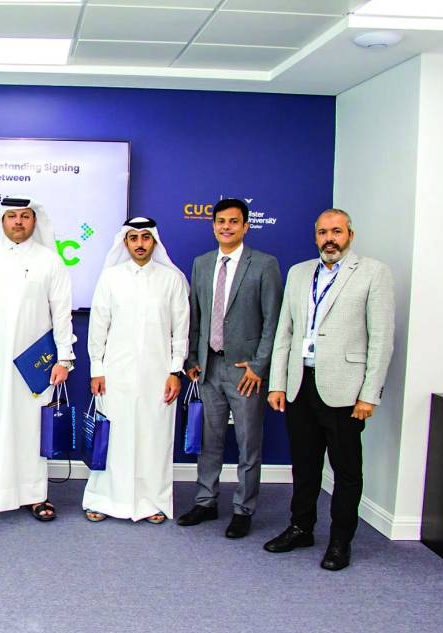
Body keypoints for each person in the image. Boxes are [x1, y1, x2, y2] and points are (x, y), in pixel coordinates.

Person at [264, 208, 394, 571]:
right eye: (322, 232)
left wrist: (370, 394)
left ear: (350, 235)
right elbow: (284, 333)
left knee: (346, 471)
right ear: (315, 236)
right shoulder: (299, 273)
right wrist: (277, 383)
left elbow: (381, 340)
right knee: (304, 466)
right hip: (300, 385)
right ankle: (301, 527)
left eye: (336, 231)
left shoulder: (373, 273)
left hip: (345, 390)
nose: (329, 239)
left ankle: (340, 542)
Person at [0, 197, 74, 521]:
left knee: (32, 425)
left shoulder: (50, 261)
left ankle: (34, 494)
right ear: (2, 220)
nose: (18, 222)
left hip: (35, 365)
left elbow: (62, 314)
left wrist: (64, 359)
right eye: (12, 216)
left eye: (25, 216)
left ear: (34, 221)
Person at [177, 198, 283, 538]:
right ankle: (206, 501)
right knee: (210, 441)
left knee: (248, 443)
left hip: (245, 372)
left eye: (233, 222)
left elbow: (273, 322)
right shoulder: (202, 263)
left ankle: (243, 509)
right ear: (213, 225)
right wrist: (192, 358)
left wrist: (258, 365)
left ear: (246, 226)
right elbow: (195, 314)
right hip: (209, 367)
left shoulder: (264, 265)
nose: (226, 227)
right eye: (221, 221)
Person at [83, 217, 189, 524]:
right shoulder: (111, 278)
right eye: (133, 238)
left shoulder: (171, 280)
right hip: (115, 375)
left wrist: (175, 371)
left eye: (145, 238)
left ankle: (152, 503)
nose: (140, 243)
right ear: (125, 243)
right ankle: (104, 499)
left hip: (159, 376)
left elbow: (181, 331)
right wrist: (96, 369)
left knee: (153, 438)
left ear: (154, 242)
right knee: (113, 437)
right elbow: (98, 327)